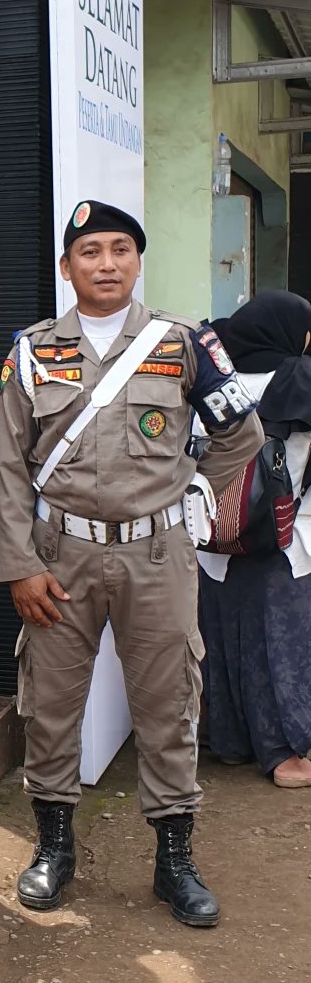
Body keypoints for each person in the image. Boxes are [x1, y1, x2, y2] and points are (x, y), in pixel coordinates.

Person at [0, 200, 264, 928]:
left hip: (157, 553)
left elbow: (243, 432)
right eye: (89, 252)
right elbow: (10, 468)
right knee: (50, 706)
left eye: (119, 249)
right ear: (66, 266)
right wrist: (19, 564)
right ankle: (53, 848)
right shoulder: (33, 350)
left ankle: (174, 860)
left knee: (170, 701)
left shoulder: (184, 344)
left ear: (137, 261)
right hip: (59, 558)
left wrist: (198, 489)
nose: (106, 263)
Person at [197, 291, 311, 788]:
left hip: (212, 537)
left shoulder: (210, 381)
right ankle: (285, 755)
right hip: (280, 539)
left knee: (221, 640)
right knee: (278, 647)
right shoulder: (298, 381)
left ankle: (228, 742)